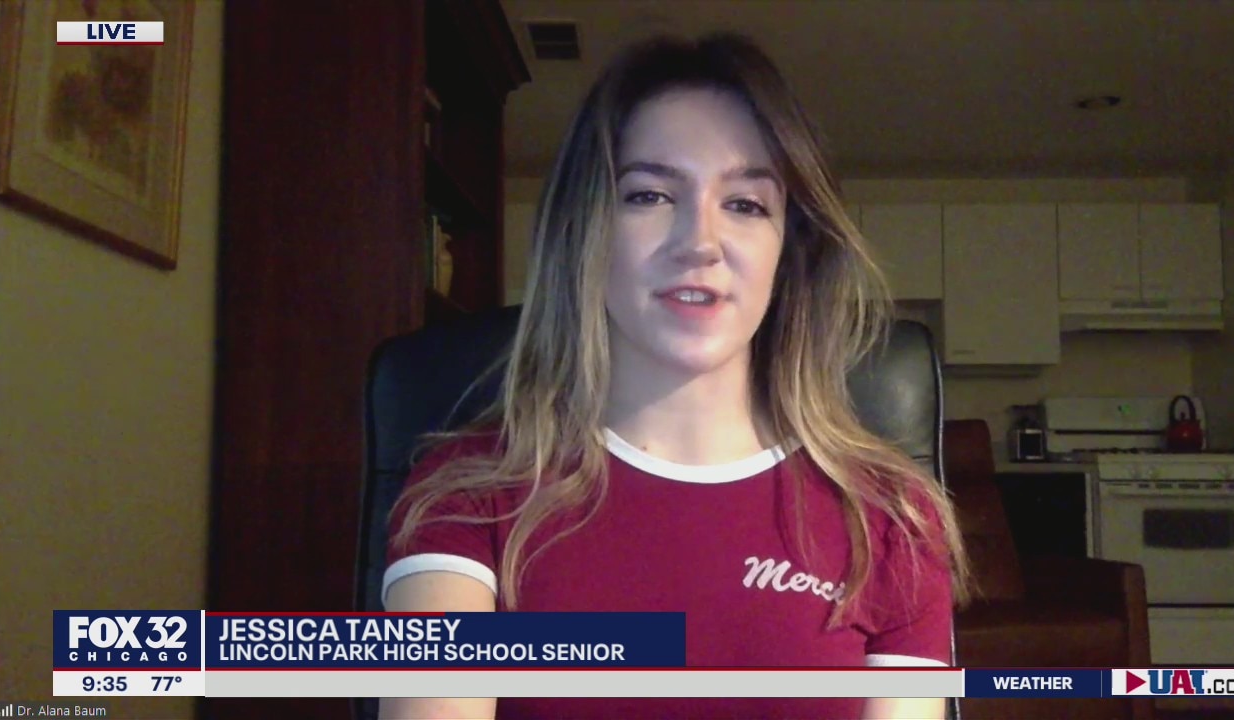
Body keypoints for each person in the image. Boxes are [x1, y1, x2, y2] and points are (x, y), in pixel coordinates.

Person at [380, 32, 971, 720]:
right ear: (586, 230)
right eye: (651, 195)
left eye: (746, 204)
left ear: (790, 252)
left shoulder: (893, 519)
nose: (699, 242)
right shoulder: (468, 495)